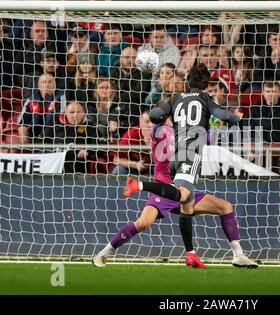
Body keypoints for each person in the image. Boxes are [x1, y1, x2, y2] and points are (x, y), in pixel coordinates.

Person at [93, 101, 257, 269]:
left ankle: (238, 255)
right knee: (143, 223)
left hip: (183, 187)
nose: (148, 125)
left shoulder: (182, 131)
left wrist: (224, 122)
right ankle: (104, 253)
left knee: (225, 206)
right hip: (164, 190)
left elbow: (208, 138)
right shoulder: (159, 130)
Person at [144, 64, 243, 267]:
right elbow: (223, 115)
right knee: (183, 196)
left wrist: (167, 118)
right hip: (190, 155)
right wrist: (235, 118)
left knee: (197, 205)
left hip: (175, 158)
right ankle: (140, 186)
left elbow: (154, 115)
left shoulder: (176, 98)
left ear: (188, 82)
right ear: (207, 85)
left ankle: (196, 254)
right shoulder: (206, 98)